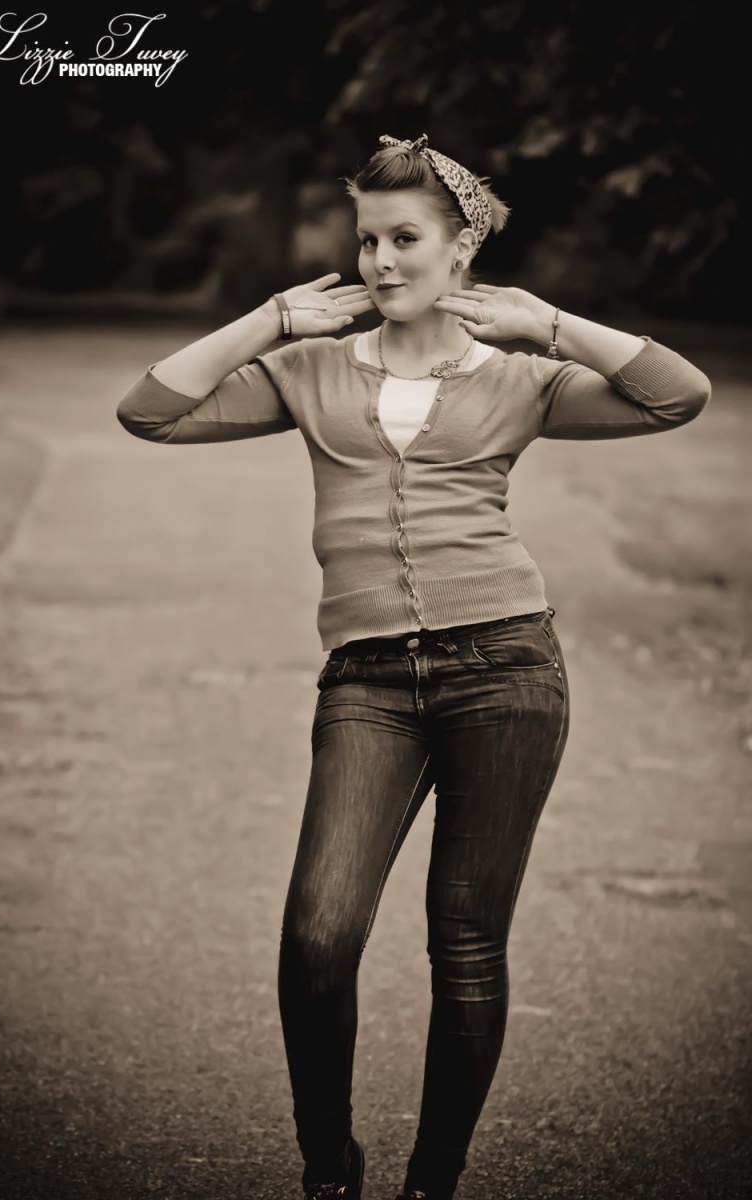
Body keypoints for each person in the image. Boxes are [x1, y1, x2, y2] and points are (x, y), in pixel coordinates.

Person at [116, 132, 711, 1200]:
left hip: (506, 668)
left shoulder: (524, 379)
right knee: (318, 930)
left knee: (465, 943)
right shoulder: (305, 372)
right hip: (369, 681)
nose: (380, 263)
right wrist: (267, 319)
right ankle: (326, 1163)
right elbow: (150, 411)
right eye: (367, 242)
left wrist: (553, 324)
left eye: (404, 241)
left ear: (458, 251)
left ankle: (432, 1182)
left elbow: (678, 395)